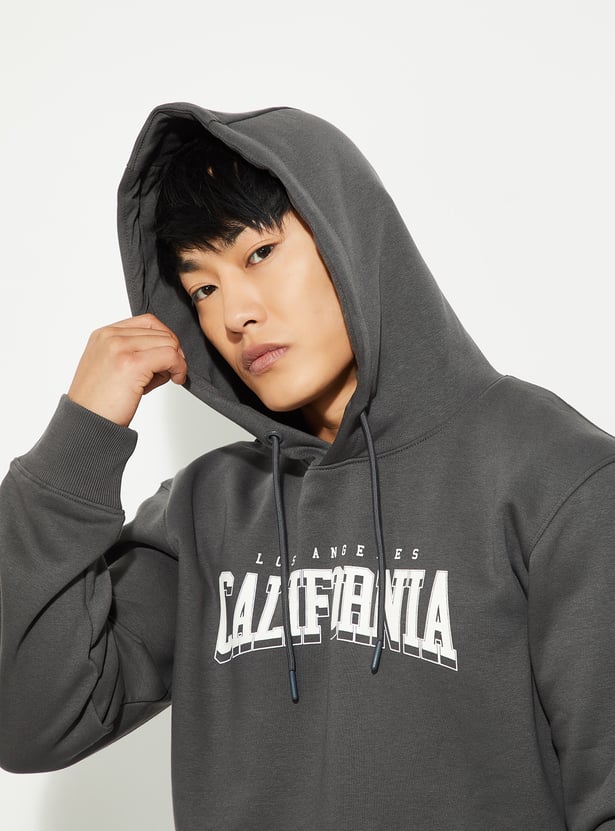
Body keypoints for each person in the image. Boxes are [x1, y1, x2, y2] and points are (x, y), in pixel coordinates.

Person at [0, 103, 614, 831]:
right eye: (202, 289)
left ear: (347, 232)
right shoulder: (204, 513)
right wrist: (80, 440)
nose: (234, 315)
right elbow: (30, 722)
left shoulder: (557, 477)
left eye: (259, 253)